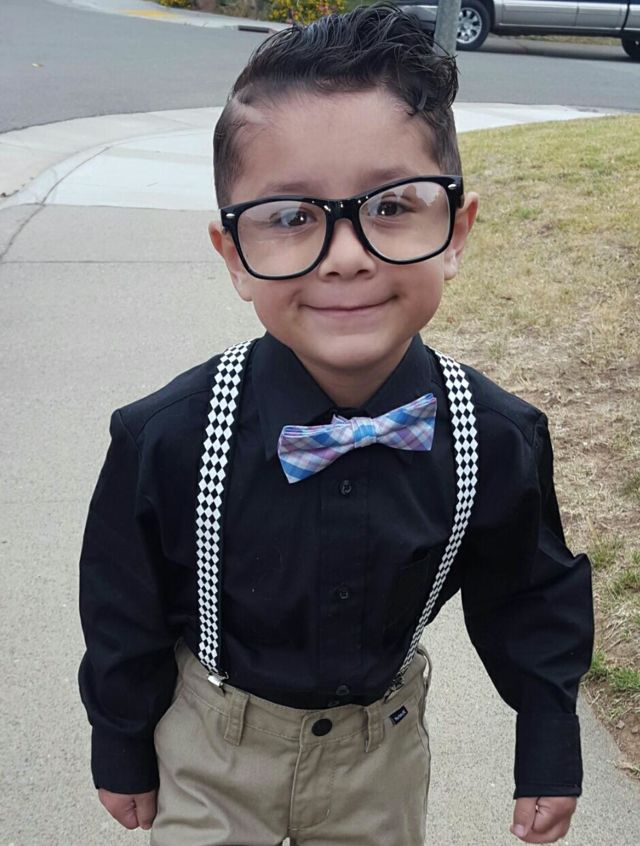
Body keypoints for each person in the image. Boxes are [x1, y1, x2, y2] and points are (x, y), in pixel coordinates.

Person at [78, 4, 594, 845]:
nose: (347, 255)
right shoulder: (167, 436)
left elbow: (531, 593)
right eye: (291, 217)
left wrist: (548, 741)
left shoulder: (495, 438)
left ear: (456, 233)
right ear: (235, 256)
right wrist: (120, 740)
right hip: (212, 744)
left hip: (377, 758)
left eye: (393, 206)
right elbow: (122, 603)